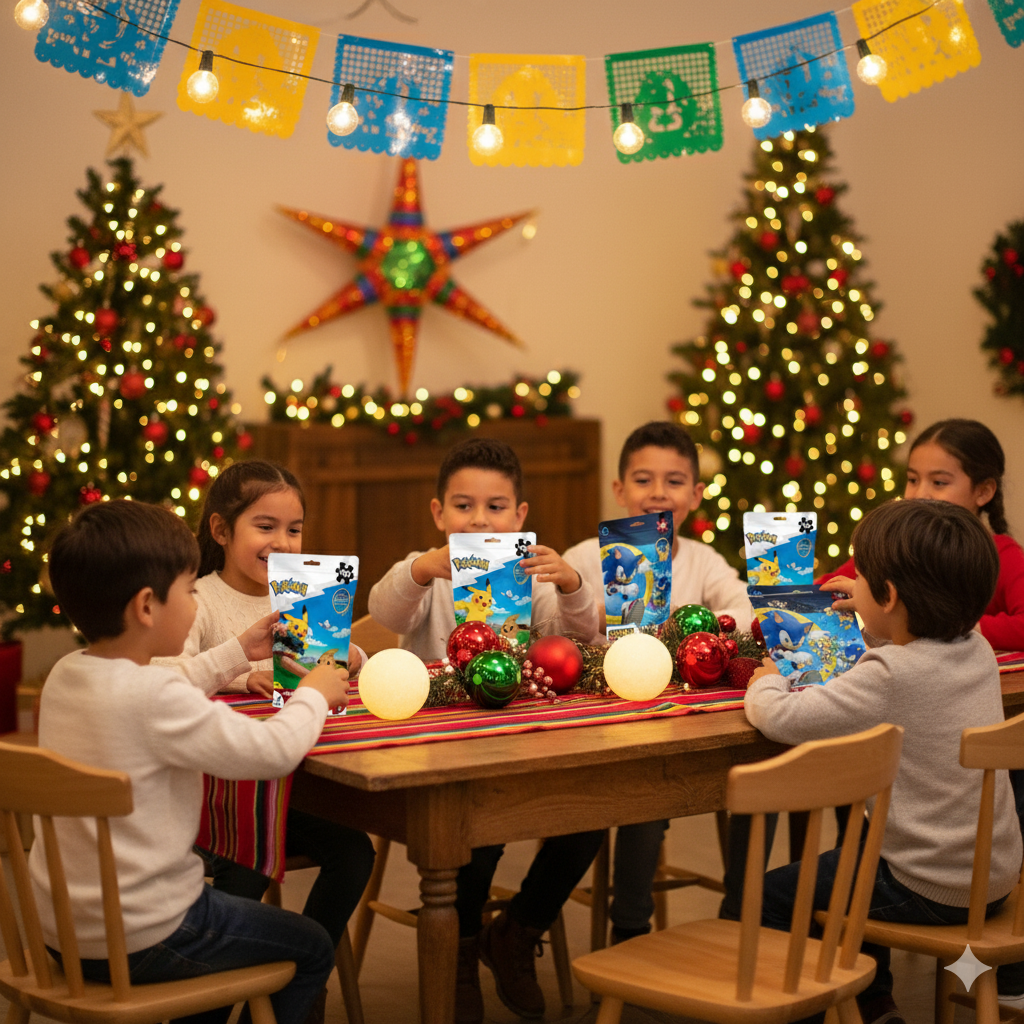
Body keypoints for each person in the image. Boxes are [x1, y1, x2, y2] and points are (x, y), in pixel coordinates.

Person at [34, 499, 349, 1024]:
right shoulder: (156, 697)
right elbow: (273, 753)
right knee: (312, 946)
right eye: (189, 589)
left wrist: (235, 650)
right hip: (146, 933)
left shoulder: (68, 674)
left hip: (60, 934)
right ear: (146, 607)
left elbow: (155, 694)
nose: (196, 597)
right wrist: (311, 693)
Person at [744, 499, 1022, 1024]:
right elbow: (913, 651)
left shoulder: (890, 676)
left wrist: (767, 682)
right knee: (853, 862)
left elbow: (784, 717)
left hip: (929, 884)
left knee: (769, 898)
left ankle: (814, 1010)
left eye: (864, 579)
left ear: (890, 596)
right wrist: (874, 614)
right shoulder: (976, 647)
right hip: (994, 878)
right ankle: (874, 1005)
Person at [368, 436, 604, 1024]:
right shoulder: (428, 578)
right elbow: (384, 611)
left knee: (593, 810)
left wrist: (571, 585)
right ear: (439, 514)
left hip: (523, 733)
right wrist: (422, 568)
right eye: (464, 506)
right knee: (482, 827)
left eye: (496, 507)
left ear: (520, 516)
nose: (479, 519)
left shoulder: (533, 578)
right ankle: (463, 947)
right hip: (441, 745)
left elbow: (579, 641)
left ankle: (520, 930)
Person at [155, 460, 376, 1011]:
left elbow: (353, 670)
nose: (283, 541)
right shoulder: (197, 602)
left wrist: (347, 652)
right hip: (215, 796)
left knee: (353, 853)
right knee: (248, 858)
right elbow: (167, 675)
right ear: (221, 530)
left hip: (290, 782)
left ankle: (292, 986)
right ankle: (213, 998)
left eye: (294, 528)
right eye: (265, 525)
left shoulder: (305, 596)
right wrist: (238, 672)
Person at [535, 420, 752, 942]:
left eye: (674, 481)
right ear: (619, 491)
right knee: (638, 785)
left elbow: (743, 609)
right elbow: (551, 629)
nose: (658, 492)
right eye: (643, 480)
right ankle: (626, 926)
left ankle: (639, 924)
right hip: (600, 721)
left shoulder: (702, 561)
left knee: (665, 784)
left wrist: (692, 634)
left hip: (677, 724)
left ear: (695, 496)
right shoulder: (589, 555)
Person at [819, 418, 1024, 651]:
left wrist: (950, 628)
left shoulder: (1003, 553)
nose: (920, 493)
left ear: (983, 491)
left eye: (938, 482)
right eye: (913, 480)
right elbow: (829, 586)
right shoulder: (891, 547)